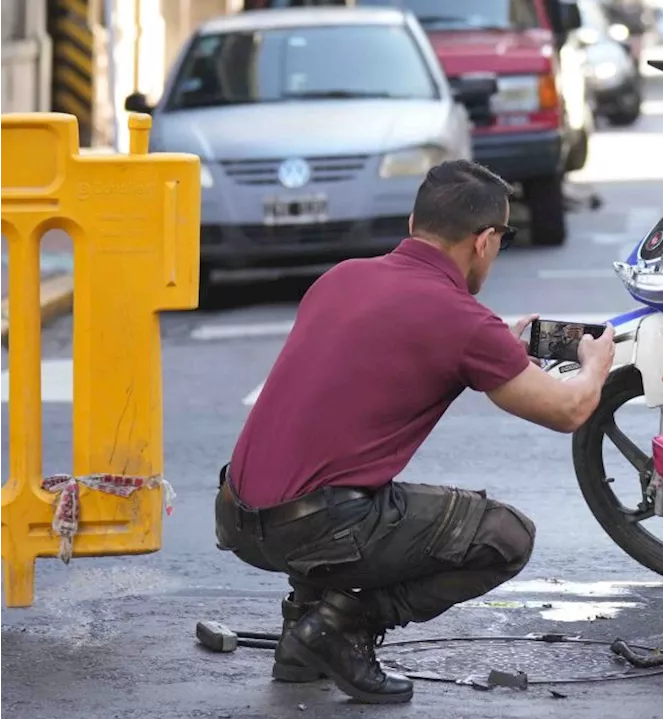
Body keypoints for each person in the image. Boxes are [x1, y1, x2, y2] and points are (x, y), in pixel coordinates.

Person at [212, 160, 616, 705]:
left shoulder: (341, 278)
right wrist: (595, 361)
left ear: (412, 224)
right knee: (505, 537)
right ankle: (340, 624)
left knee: (341, 480)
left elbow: (399, 346)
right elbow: (568, 410)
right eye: (502, 239)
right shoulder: (465, 323)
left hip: (236, 515)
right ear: (485, 240)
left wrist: (500, 349)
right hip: (318, 526)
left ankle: (301, 641)